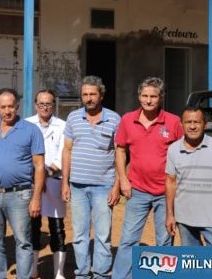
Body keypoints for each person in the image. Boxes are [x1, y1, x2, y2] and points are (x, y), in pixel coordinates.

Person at [111, 77, 183, 279]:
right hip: (137, 190)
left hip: (166, 193)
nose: (148, 100)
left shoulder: (174, 122)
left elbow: (182, 154)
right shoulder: (127, 120)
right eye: (144, 95)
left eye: (153, 96)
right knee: (128, 239)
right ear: (139, 96)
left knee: (165, 240)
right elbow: (120, 150)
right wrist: (123, 179)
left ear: (161, 98)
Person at [0, 88, 45, 279]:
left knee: (23, 242)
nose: (7, 111)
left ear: (17, 107)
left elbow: (39, 165)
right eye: (3, 107)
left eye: (11, 106)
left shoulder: (31, 130)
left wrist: (36, 198)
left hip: (20, 195)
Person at [61, 76, 121, 279]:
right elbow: (67, 151)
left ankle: (101, 274)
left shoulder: (114, 119)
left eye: (92, 94)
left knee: (103, 235)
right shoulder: (73, 118)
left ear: (101, 95)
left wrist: (116, 186)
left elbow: (120, 154)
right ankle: (82, 273)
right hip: (77, 186)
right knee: (79, 234)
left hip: (104, 187)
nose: (88, 98)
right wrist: (65, 182)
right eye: (85, 94)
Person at [165, 107, 212, 246]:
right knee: (193, 264)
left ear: (205, 124)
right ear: (181, 125)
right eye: (188, 122)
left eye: (197, 122)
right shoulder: (173, 149)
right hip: (184, 220)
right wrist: (170, 214)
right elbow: (170, 182)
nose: (193, 126)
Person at [26, 90, 68, 279]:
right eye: (41, 103)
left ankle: (58, 273)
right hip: (32, 182)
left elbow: (63, 153)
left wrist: (46, 173)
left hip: (54, 180)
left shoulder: (63, 126)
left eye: (48, 103)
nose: (45, 107)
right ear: (36, 105)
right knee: (33, 225)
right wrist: (37, 176)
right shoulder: (27, 124)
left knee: (57, 226)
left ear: (54, 105)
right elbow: (24, 152)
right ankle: (33, 269)